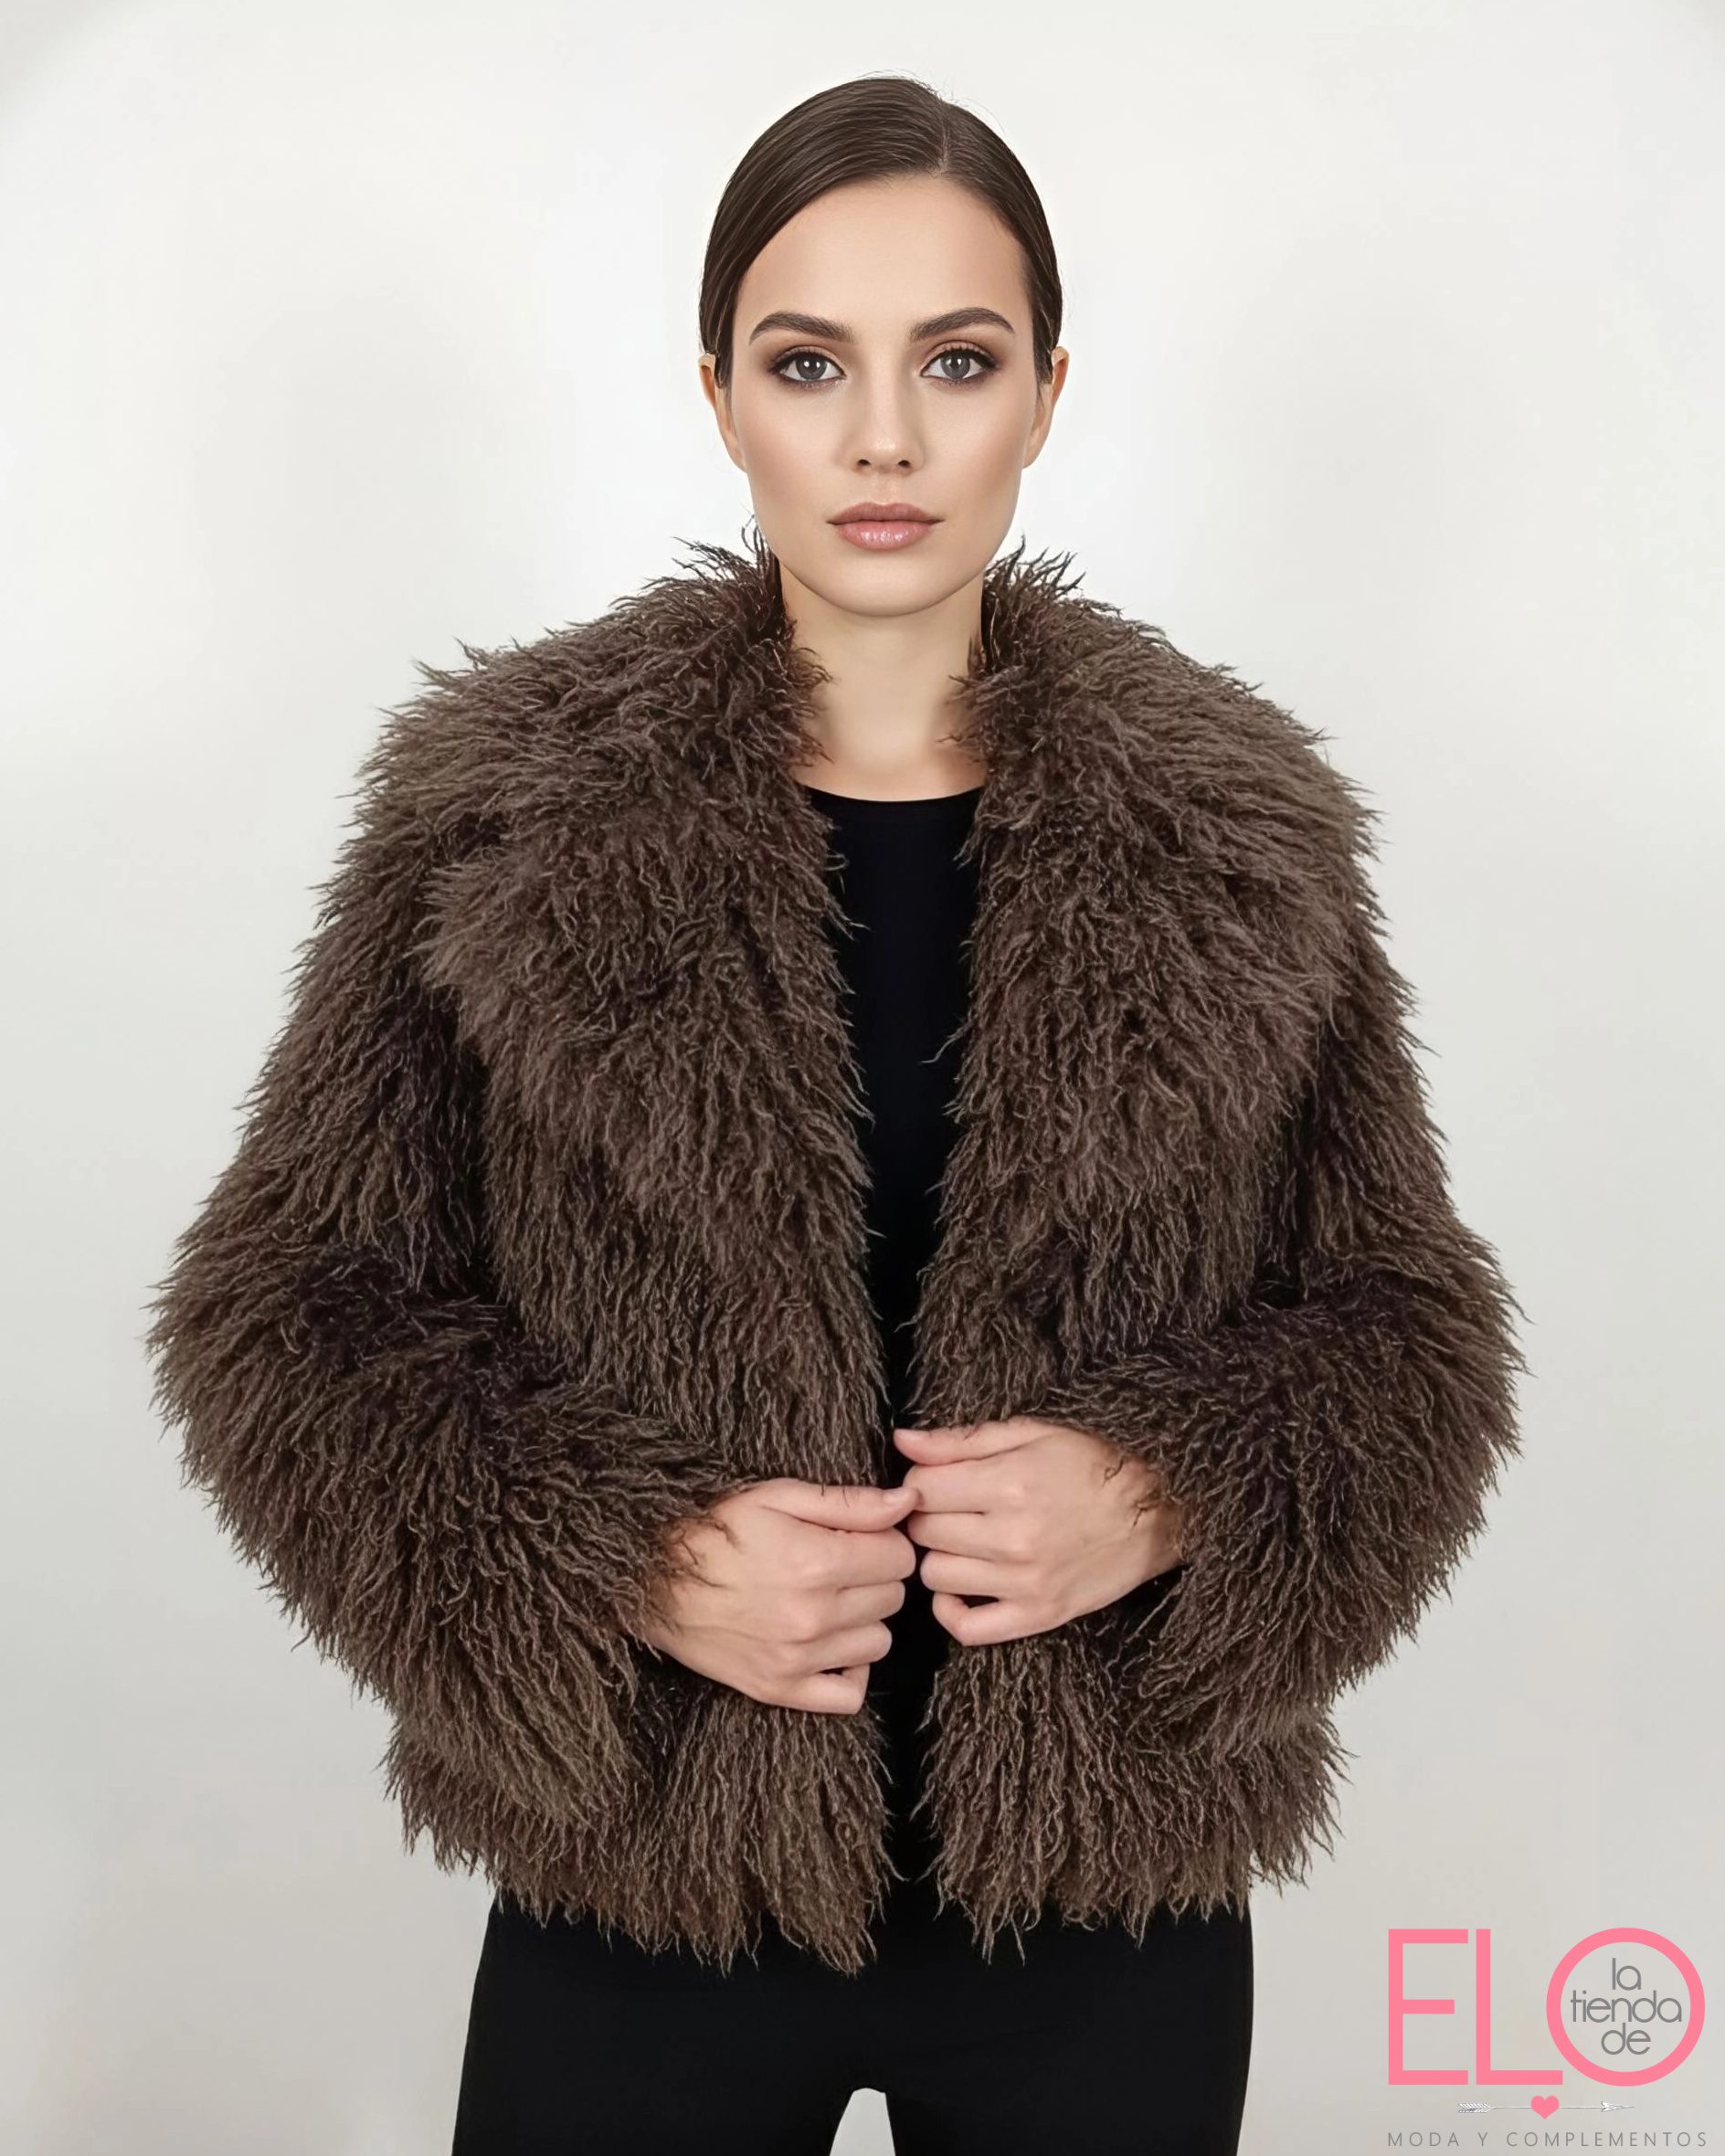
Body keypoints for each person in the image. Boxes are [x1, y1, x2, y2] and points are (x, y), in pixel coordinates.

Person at [143, 72, 1524, 2156]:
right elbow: (287, 1309)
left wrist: (1168, 1492)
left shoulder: (1239, 836)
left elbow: (1403, 1321)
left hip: (1104, 1896)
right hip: (645, 1879)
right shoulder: (499, 814)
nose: (883, 439)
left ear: (1045, 395)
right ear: (719, 398)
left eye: (955, 362)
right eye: (809, 365)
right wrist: (617, 1555)